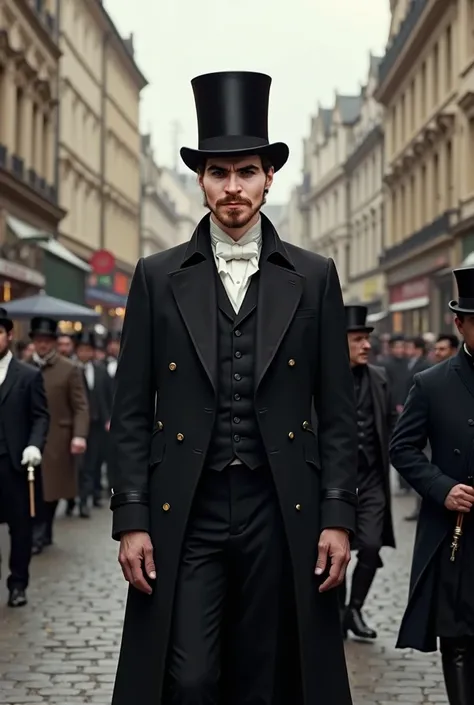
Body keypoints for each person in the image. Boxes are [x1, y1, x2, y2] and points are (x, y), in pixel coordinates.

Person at [109, 71, 358, 705]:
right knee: (188, 676)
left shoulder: (314, 276)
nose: (233, 188)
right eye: (219, 173)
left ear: (269, 178)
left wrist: (338, 516)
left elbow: (337, 412)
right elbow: (132, 411)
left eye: (246, 172)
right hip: (185, 507)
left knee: (264, 674)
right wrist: (130, 519)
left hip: (280, 505)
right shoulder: (157, 277)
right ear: (201, 181)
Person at [390, 266, 474, 705]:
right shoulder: (431, 383)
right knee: (457, 636)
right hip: (455, 532)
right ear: (459, 324)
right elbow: (401, 449)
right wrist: (441, 486)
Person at [340, 306, 396, 640]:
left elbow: (390, 428)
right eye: (358, 339)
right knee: (335, 551)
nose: (366, 346)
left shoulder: (380, 380)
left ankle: (354, 609)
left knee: (372, 546)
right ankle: (336, 613)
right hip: (335, 482)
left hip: (372, 478)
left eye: (367, 339)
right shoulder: (320, 381)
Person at [0, 308, 49, 606]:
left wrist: (34, 446)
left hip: (16, 464)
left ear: (8, 335)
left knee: (20, 528)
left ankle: (18, 584)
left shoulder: (28, 376)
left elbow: (41, 416)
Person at [29, 317, 89, 553]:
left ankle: (42, 532)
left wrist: (79, 436)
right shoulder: (24, 366)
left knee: (51, 490)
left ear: (54, 342)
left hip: (58, 438)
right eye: (38, 340)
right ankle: (37, 532)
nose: (42, 345)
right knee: (32, 487)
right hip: (28, 437)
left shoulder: (69, 369)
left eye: (47, 340)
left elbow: (81, 405)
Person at [74, 330, 112, 516]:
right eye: (82, 349)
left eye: (88, 349)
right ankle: (77, 499)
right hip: (76, 427)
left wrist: (108, 419)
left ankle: (87, 499)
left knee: (93, 462)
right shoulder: (71, 369)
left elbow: (107, 396)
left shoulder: (100, 370)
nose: (85, 353)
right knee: (79, 466)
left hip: (97, 424)